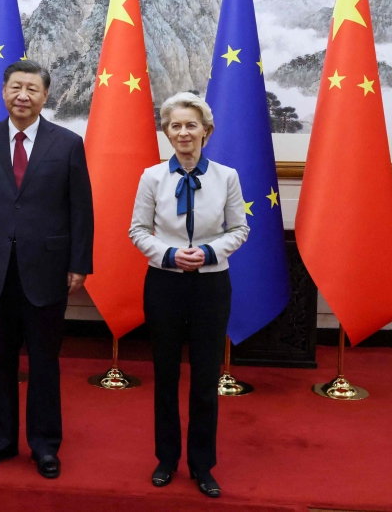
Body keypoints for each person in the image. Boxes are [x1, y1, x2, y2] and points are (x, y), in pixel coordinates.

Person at [0, 59, 93, 479]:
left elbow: (81, 211)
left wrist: (79, 264)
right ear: (3, 92)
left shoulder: (68, 143)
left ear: (45, 96)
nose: (23, 95)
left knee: (44, 362)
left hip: (48, 268)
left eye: (32, 89)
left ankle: (45, 445)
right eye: (16, 87)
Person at [129, 92, 249, 498]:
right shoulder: (151, 177)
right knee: (165, 374)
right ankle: (166, 458)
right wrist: (168, 254)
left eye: (191, 125)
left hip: (211, 284)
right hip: (163, 282)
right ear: (167, 132)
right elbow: (137, 230)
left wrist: (211, 252)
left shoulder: (227, 176)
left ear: (207, 132)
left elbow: (240, 229)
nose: (184, 132)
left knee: (204, 377)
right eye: (175, 125)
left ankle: (202, 464)